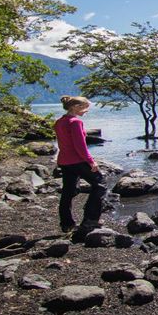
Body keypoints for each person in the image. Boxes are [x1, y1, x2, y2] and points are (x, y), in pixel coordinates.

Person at [54, 95, 106, 233]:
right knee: (100, 185)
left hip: (64, 161)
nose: (86, 111)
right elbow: (80, 146)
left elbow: (62, 144)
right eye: (85, 108)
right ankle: (90, 220)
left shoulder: (59, 122)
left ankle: (67, 224)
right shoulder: (75, 122)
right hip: (77, 161)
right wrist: (91, 162)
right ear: (75, 107)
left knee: (68, 192)